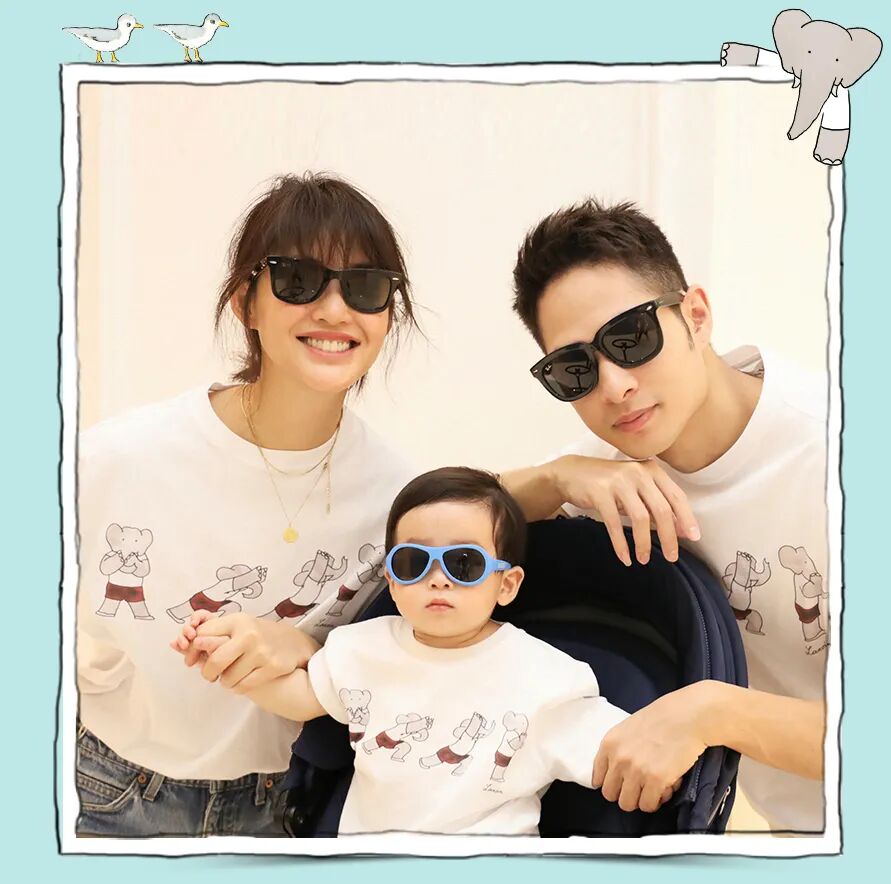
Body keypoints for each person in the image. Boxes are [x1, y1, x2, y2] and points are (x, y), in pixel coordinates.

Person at [76, 173, 420, 837]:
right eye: (298, 280)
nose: (333, 310)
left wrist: (302, 645)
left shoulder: (398, 497)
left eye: (365, 287)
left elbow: (401, 655)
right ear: (246, 303)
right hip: (108, 792)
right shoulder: (115, 457)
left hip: (285, 810)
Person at [502, 200, 828, 833]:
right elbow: (441, 516)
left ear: (696, 316)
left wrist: (711, 713)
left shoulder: (835, 452)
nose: (614, 386)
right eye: (574, 369)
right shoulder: (607, 469)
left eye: (631, 338)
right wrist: (555, 476)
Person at [174, 468, 632, 835]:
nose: (438, 578)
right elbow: (304, 697)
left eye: (464, 563)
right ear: (392, 581)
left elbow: (623, 753)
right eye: (414, 562)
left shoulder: (546, 677)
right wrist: (230, 663)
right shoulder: (362, 646)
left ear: (506, 584)